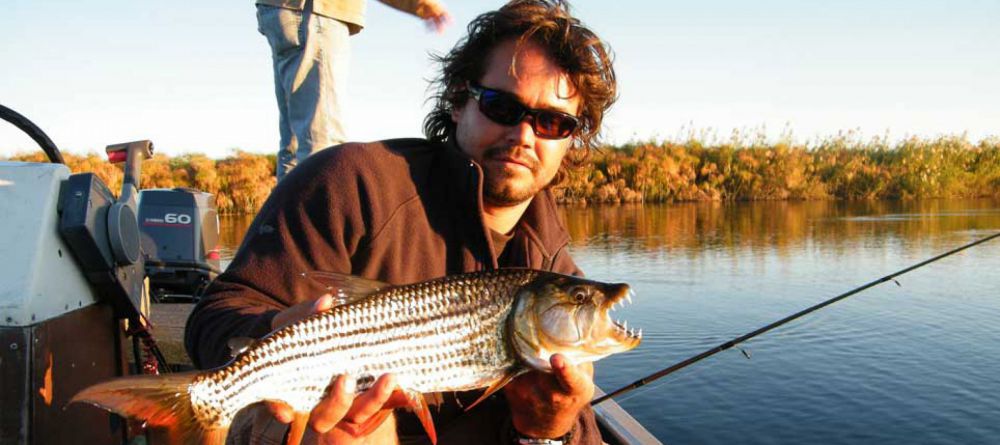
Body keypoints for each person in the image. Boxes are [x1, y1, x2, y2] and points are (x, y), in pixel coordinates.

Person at [187, 0, 617, 443]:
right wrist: (274, 335)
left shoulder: (555, 274)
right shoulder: (353, 181)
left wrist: (547, 428)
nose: (523, 136)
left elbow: (577, 431)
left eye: (552, 122)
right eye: (501, 107)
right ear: (458, 102)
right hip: (307, 419)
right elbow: (213, 319)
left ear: (571, 140)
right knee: (348, 437)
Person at [256, 0, 452, 181]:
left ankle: (286, 218)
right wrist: (420, 4)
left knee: (295, 144)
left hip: (283, 11)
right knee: (324, 141)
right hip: (315, 11)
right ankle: (322, 217)